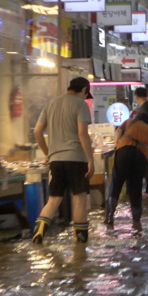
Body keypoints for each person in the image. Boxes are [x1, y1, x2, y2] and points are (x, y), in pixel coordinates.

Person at [32, 77, 96, 244]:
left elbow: (37, 131)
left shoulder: (51, 103)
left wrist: (48, 153)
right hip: (76, 158)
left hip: (56, 159)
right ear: (83, 89)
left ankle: (38, 233)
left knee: (54, 199)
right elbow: (82, 133)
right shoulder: (80, 104)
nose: (85, 97)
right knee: (79, 199)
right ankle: (80, 242)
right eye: (85, 94)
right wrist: (90, 159)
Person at [106, 102, 148, 228]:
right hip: (140, 156)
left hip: (123, 152)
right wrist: (146, 157)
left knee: (117, 183)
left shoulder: (129, 121)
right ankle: (136, 221)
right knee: (136, 188)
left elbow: (118, 131)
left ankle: (109, 216)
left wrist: (117, 146)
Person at [131, 87, 148, 196]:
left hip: (145, 140)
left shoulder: (143, 109)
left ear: (136, 97)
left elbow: (141, 126)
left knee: (146, 164)